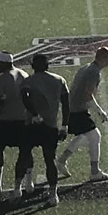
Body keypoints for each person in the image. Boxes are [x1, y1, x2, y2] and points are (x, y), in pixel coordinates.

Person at [57, 46, 108, 183]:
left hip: (74, 108)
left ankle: (61, 161)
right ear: (104, 58)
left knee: (84, 136)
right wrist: (100, 111)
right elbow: (87, 94)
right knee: (95, 136)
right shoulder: (93, 72)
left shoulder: (87, 68)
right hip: (78, 110)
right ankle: (94, 172)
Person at [21, 53, 69, 199]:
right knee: (50, 159)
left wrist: (34, 114)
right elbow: (66, 104)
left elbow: (24, 97)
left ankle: (27, 183)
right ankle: (54, 193)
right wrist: (64, 125)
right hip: (51, 125)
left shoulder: (29, 81)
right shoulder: (59, 80)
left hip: (32, 124)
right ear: (47, 65)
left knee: (26, 153)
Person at [0, 52, 28, 198]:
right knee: (24, 153)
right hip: (22, 121)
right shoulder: (24, 74)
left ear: (4, 63)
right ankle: (20, 187)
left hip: (5, 121)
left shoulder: (2, 79)